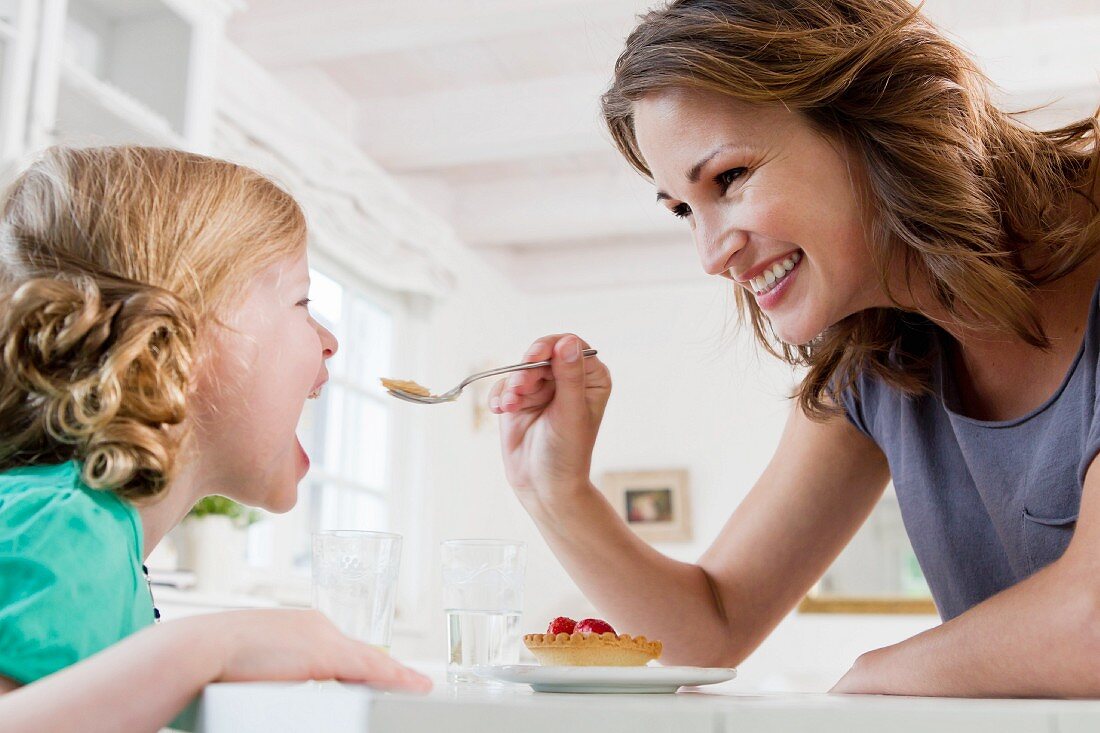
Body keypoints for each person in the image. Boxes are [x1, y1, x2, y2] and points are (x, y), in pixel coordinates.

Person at [489, 0, 1100, 697]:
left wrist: (875, 678)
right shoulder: (877, 360)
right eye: (685, 210)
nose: (712, 255)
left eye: (729, 178)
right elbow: (711, 624)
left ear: (869, 115)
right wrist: (555, 490)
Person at [0, 146, 430, 732]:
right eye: (302, 302)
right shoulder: (62, 529)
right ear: (178, 337)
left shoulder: (80, 525)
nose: (330, 340)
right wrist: (212, 645)